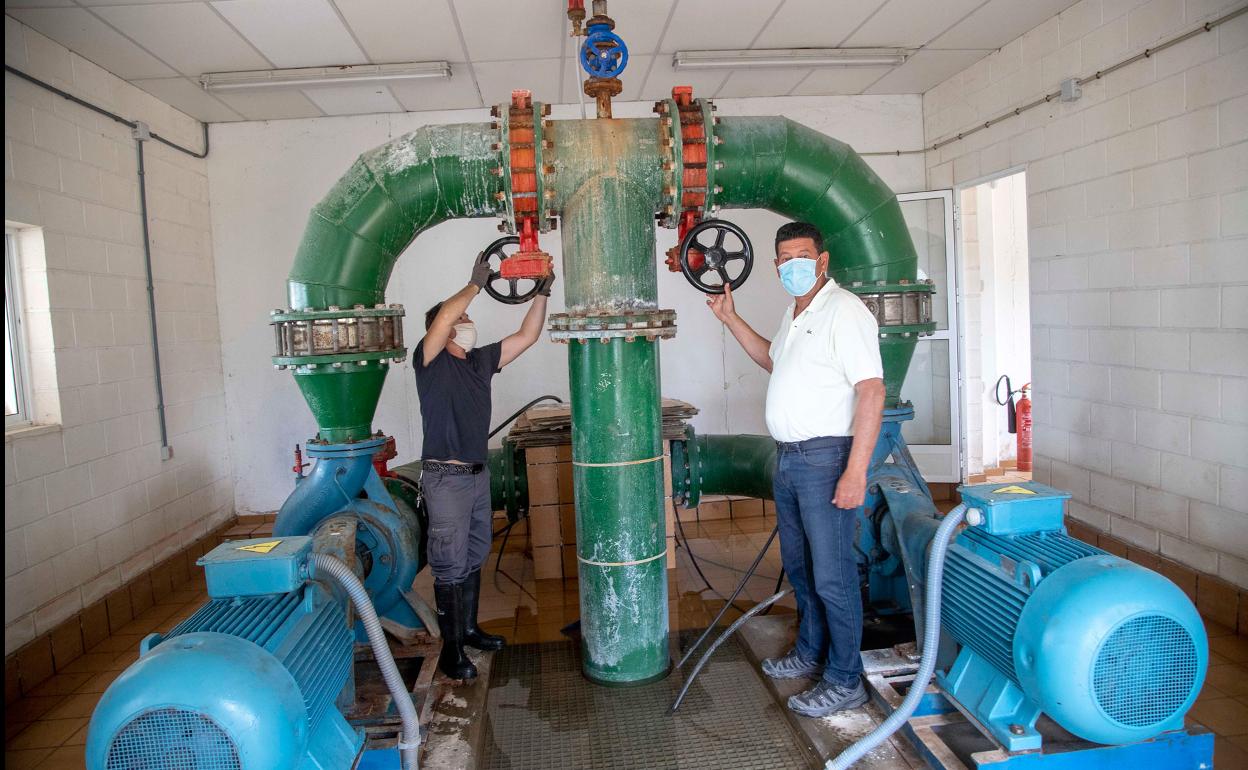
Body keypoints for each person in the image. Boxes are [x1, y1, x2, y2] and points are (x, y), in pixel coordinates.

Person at [707, 221, 885, 717]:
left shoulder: (844, 311)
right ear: (776, 265)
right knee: (803, 569)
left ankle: (845, 678)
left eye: (802, 256)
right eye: (785, 259)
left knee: (833, 576)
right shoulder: (796, 312)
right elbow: (773, 359)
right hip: (790, 461)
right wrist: (730, 318)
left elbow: (872, 390)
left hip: (827, 459)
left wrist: (855, 471)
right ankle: (810, 653)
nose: (793, 265)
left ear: (822, 260)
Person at [415, 257, 551, 680]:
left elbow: (528, 335)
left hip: (476, 476)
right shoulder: (430, 360)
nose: (470, 322)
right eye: (463, 317)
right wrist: (474, 284)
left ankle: (469, 630)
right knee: (449, 563)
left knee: (474, 555)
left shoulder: (480, 362)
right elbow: (444, 320)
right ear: (445, 325)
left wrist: (543, 290)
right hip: (446, 480)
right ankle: (452, 652)